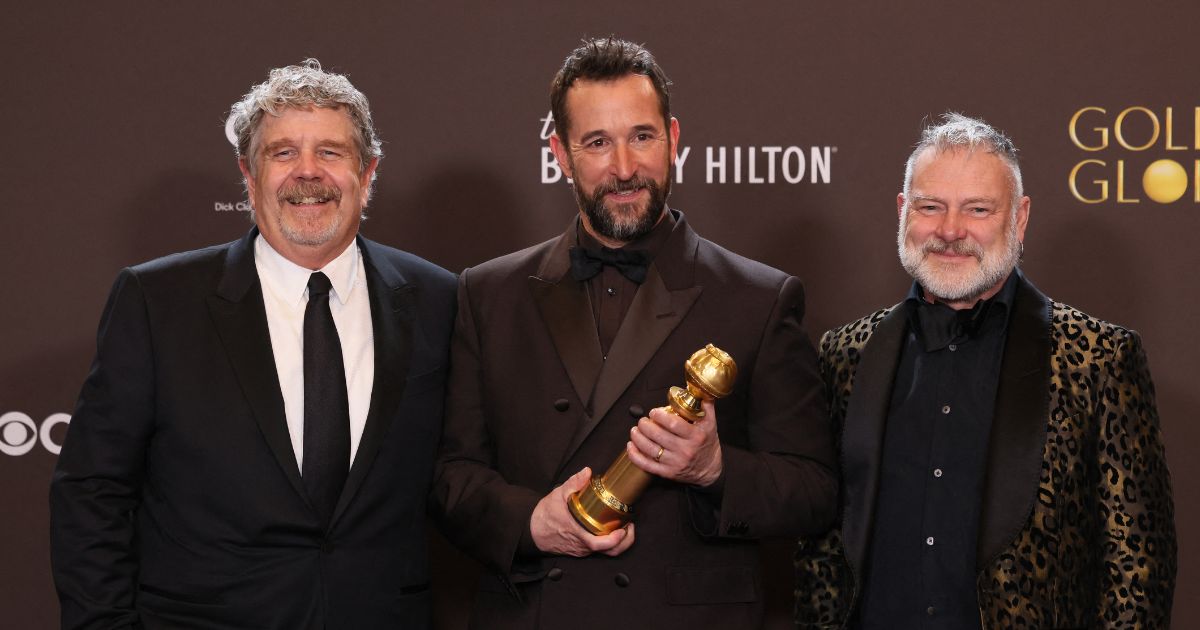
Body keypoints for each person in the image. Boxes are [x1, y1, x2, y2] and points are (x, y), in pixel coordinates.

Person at [432, 37, 836, 629]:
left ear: (673, 138)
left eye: (642, 137)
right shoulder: (489, 294)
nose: (624, 168)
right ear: (560, 154)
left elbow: (815, 491)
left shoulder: (759, 298)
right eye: (597, 143)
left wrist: (715, 469)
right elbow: (452, 478)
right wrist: (532, 522)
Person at [49, 59, 456, 629]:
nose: (307, 172)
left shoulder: (439, 299)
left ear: (367, 174)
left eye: (331, 152)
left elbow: (462, 473)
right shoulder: (157, 301)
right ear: (248, 173)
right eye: (282, 153)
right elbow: (94, 491)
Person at [794, 113, 1177, 628]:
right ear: (903, 212)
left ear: (1019, 218)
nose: (950, 231)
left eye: (977, 209)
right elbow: (821, 546)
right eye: (931, 206)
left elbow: (1138, 569)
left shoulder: (1099, 357)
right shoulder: (846, 353)